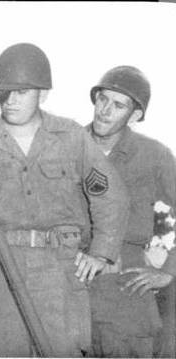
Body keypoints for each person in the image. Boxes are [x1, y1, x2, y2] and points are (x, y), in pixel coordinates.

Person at [0, 43, 129, 357]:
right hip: (0, 272)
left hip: (59, 273)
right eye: (5, 91)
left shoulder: (72, 137)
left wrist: (101, 254)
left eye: (21, 92)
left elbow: (110, 195)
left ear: (43, 94)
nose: (10, 100)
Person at [87, 65, 176, 357]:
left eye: (118, 105)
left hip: (125, 288)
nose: (105, 111)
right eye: (102, 99)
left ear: (135, 115)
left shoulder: (154, 155)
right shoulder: (69, 144)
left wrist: (169, 270)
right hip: (67, 280)